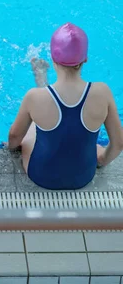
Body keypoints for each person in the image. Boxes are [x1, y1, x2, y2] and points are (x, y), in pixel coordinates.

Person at [8, 23, 123, 190]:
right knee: (93, 146)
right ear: (85, 59)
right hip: (84, 177)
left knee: (32, 129)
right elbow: (118, 143)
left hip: (41, 176)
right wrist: (102, 160)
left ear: (54, 59)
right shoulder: (102, 92)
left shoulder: (33, 97)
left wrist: (13, 149)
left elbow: (14, 136)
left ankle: (42, 81)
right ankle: (43, 82)